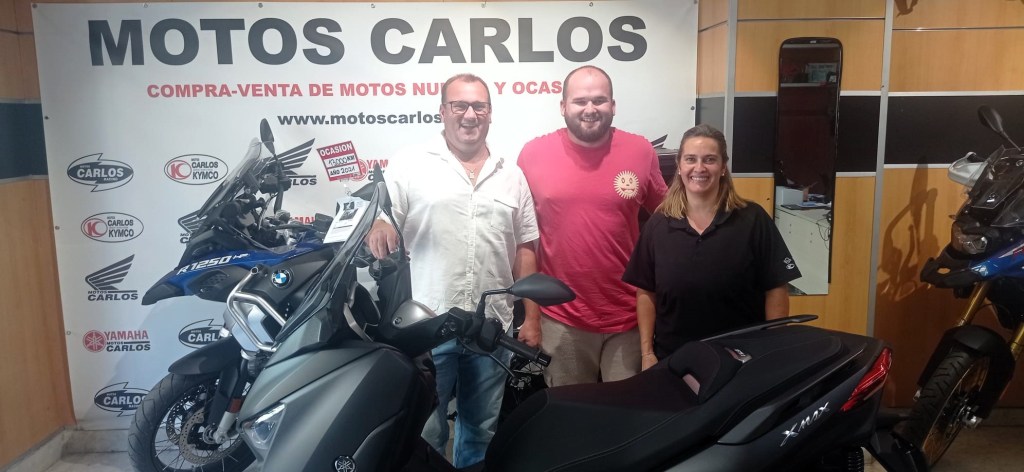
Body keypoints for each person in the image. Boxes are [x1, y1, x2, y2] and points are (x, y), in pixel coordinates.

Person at [365, 73, 540, 467]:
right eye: (459, 105)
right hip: (428, 327)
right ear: (442, 111)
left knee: (481, 432)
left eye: (479, 106)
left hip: (491, 329)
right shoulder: (411, 163)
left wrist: (532, 318)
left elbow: (524, 248)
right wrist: (380, 224)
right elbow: (385, 215)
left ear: (490, 113)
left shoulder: (511, 175)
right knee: (426, 432)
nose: (469, 115)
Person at [517, 65, 668, 387]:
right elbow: (522, 239)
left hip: (629, 316)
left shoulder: (640, 151)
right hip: (561, 319)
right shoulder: (533, 155)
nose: (590, 109)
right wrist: (531, 316)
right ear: (563, 106)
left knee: (626, 410)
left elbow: (669, 218)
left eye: (599, 100)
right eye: (580, 101)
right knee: (570, 411)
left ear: (613, 105)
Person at [622, 124, 802, 370]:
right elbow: (646, 293)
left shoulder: (753, 219)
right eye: (691, 159)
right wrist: (647, 353)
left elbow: (776, 288)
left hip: (741, 361)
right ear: (679, 166)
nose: (699, 168)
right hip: (674, 361)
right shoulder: (658, 224)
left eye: (709, 159)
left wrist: (773, 349)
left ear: (723, 167)